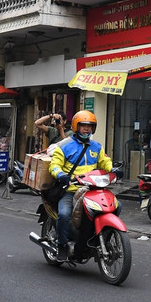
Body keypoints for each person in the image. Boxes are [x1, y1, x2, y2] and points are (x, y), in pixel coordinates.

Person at [49, 110, 111, 263]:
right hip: (70, 191)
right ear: (76, 126)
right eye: (83, 126)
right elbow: (54, 165)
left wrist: (114, 170)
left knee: (117, 206)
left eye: (90, 126)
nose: (86, 129)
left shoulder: (96, 147)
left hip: (92, 191)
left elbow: (105, 162)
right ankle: (62, 245)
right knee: (64, 215)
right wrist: (61, 175)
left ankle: (97, 240)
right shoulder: (65, 146)